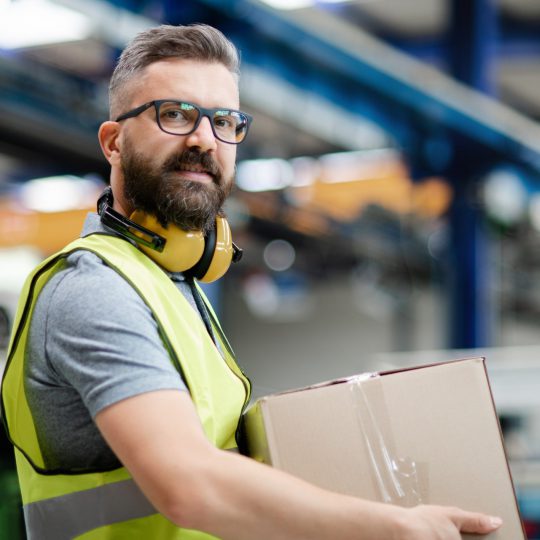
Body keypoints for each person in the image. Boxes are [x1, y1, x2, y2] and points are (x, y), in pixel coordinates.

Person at [1, 23, 503, 540]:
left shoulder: (178, 287)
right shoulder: (94, 289)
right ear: (113, 142)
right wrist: (394, 526)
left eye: (225, 122)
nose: (203, 139)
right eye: (174, 114)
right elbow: (189, 485)